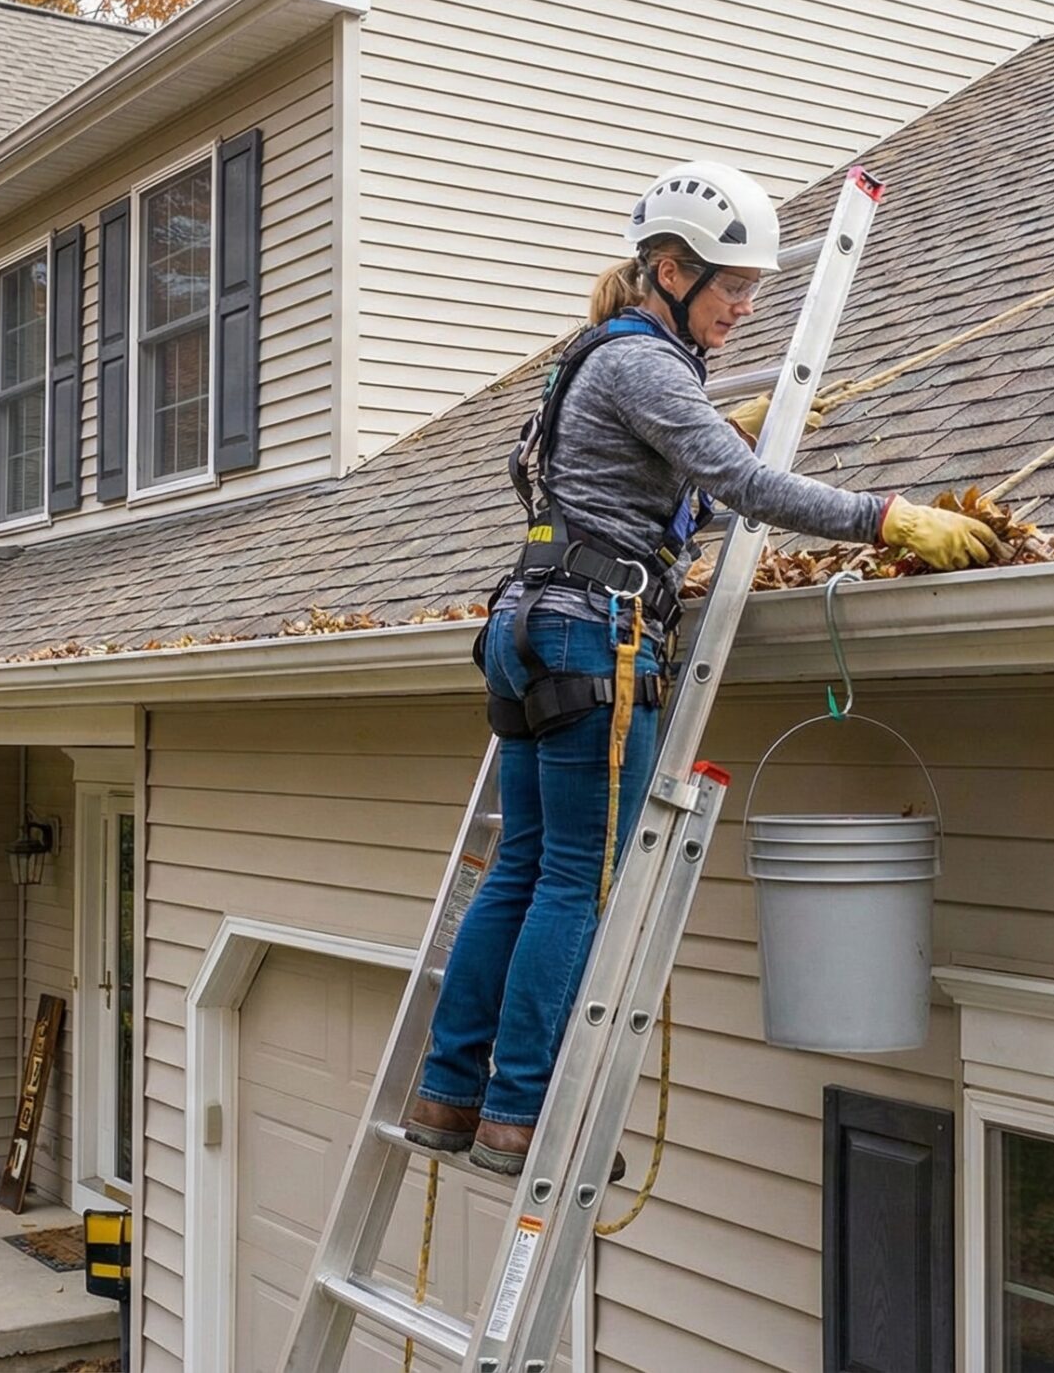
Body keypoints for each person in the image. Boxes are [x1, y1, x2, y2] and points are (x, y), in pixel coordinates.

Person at [406, 160, 999, 1175]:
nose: (744, 307)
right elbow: (741, 486)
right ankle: (524, 1114)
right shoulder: (645, 366)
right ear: (671, 270)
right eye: (732, 287)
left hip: (527, 627)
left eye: (756, 290)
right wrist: (885, 517)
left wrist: (711, 450)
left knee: (521, 870)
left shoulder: (581, 362)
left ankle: (450, 1097)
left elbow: (642, 490)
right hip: (594, 634)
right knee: (573, 888)